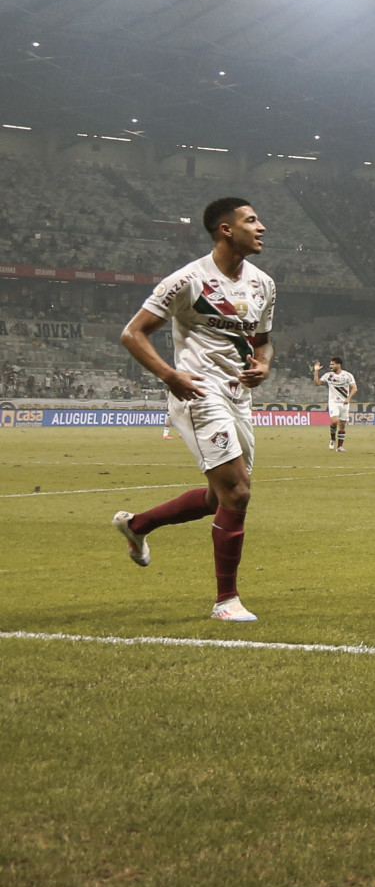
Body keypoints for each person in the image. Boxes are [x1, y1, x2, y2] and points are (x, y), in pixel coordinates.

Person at [112, 197, 276, 622]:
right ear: (226, 229)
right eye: (251, 220)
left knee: (217, 497)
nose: (261, 227)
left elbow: (262, 342)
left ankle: (138, 525)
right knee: (237, 493)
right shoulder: (188, 280)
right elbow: (133, 333)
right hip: (199, 393)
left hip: (238, 396)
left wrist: (263, 365)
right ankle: (226, 601)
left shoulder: (263, 284)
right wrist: (170, 375)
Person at [312, 356, 357, 452]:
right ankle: (333, 439)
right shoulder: (328, 375)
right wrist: (316, 371)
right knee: (335, 421)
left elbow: (354, 388)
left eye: (332, 364)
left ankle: (339, 447)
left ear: (338, 365)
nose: (330, 366)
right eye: (330, 364)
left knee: (342, 425)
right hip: (333, 402)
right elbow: (317, 383)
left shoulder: (347, 375)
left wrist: (348, 398)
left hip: (344, 403)